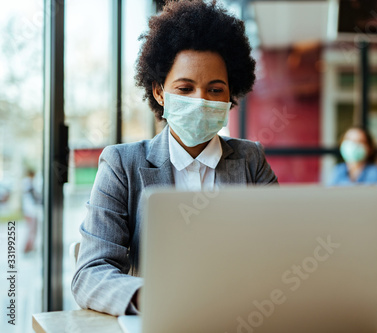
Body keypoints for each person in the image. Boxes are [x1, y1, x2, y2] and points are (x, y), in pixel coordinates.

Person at [71, 0, 278, 316]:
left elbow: (282, 249)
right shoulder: (121, 165)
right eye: (185, 88)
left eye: (215, 89)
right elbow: (90, 272)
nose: (200, 100)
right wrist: (153, 298)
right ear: (159, 92)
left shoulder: (251, 160)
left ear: (230, 94)